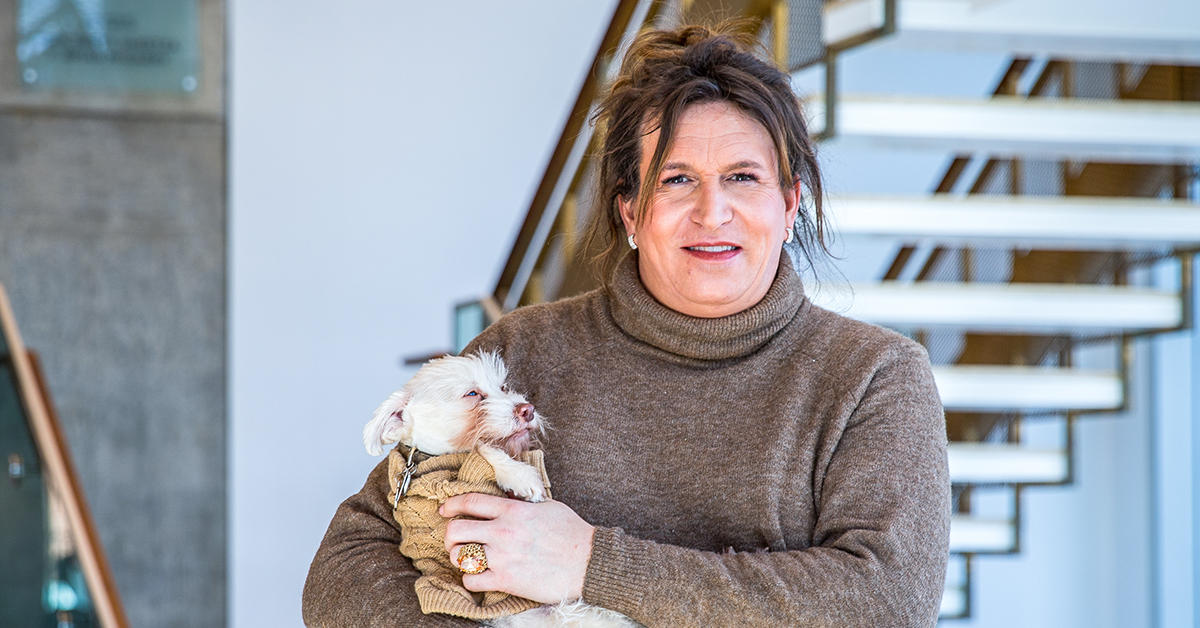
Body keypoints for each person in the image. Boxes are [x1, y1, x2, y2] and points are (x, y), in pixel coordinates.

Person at [303, 24, 950, 627]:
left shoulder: (874, 376)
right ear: (631, 211)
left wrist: (589, 563)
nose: (713, 210)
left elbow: (886, 600)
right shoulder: (521, 352)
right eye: (677, 179)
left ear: (788, 204)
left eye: (742, 178)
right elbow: (349, 562)